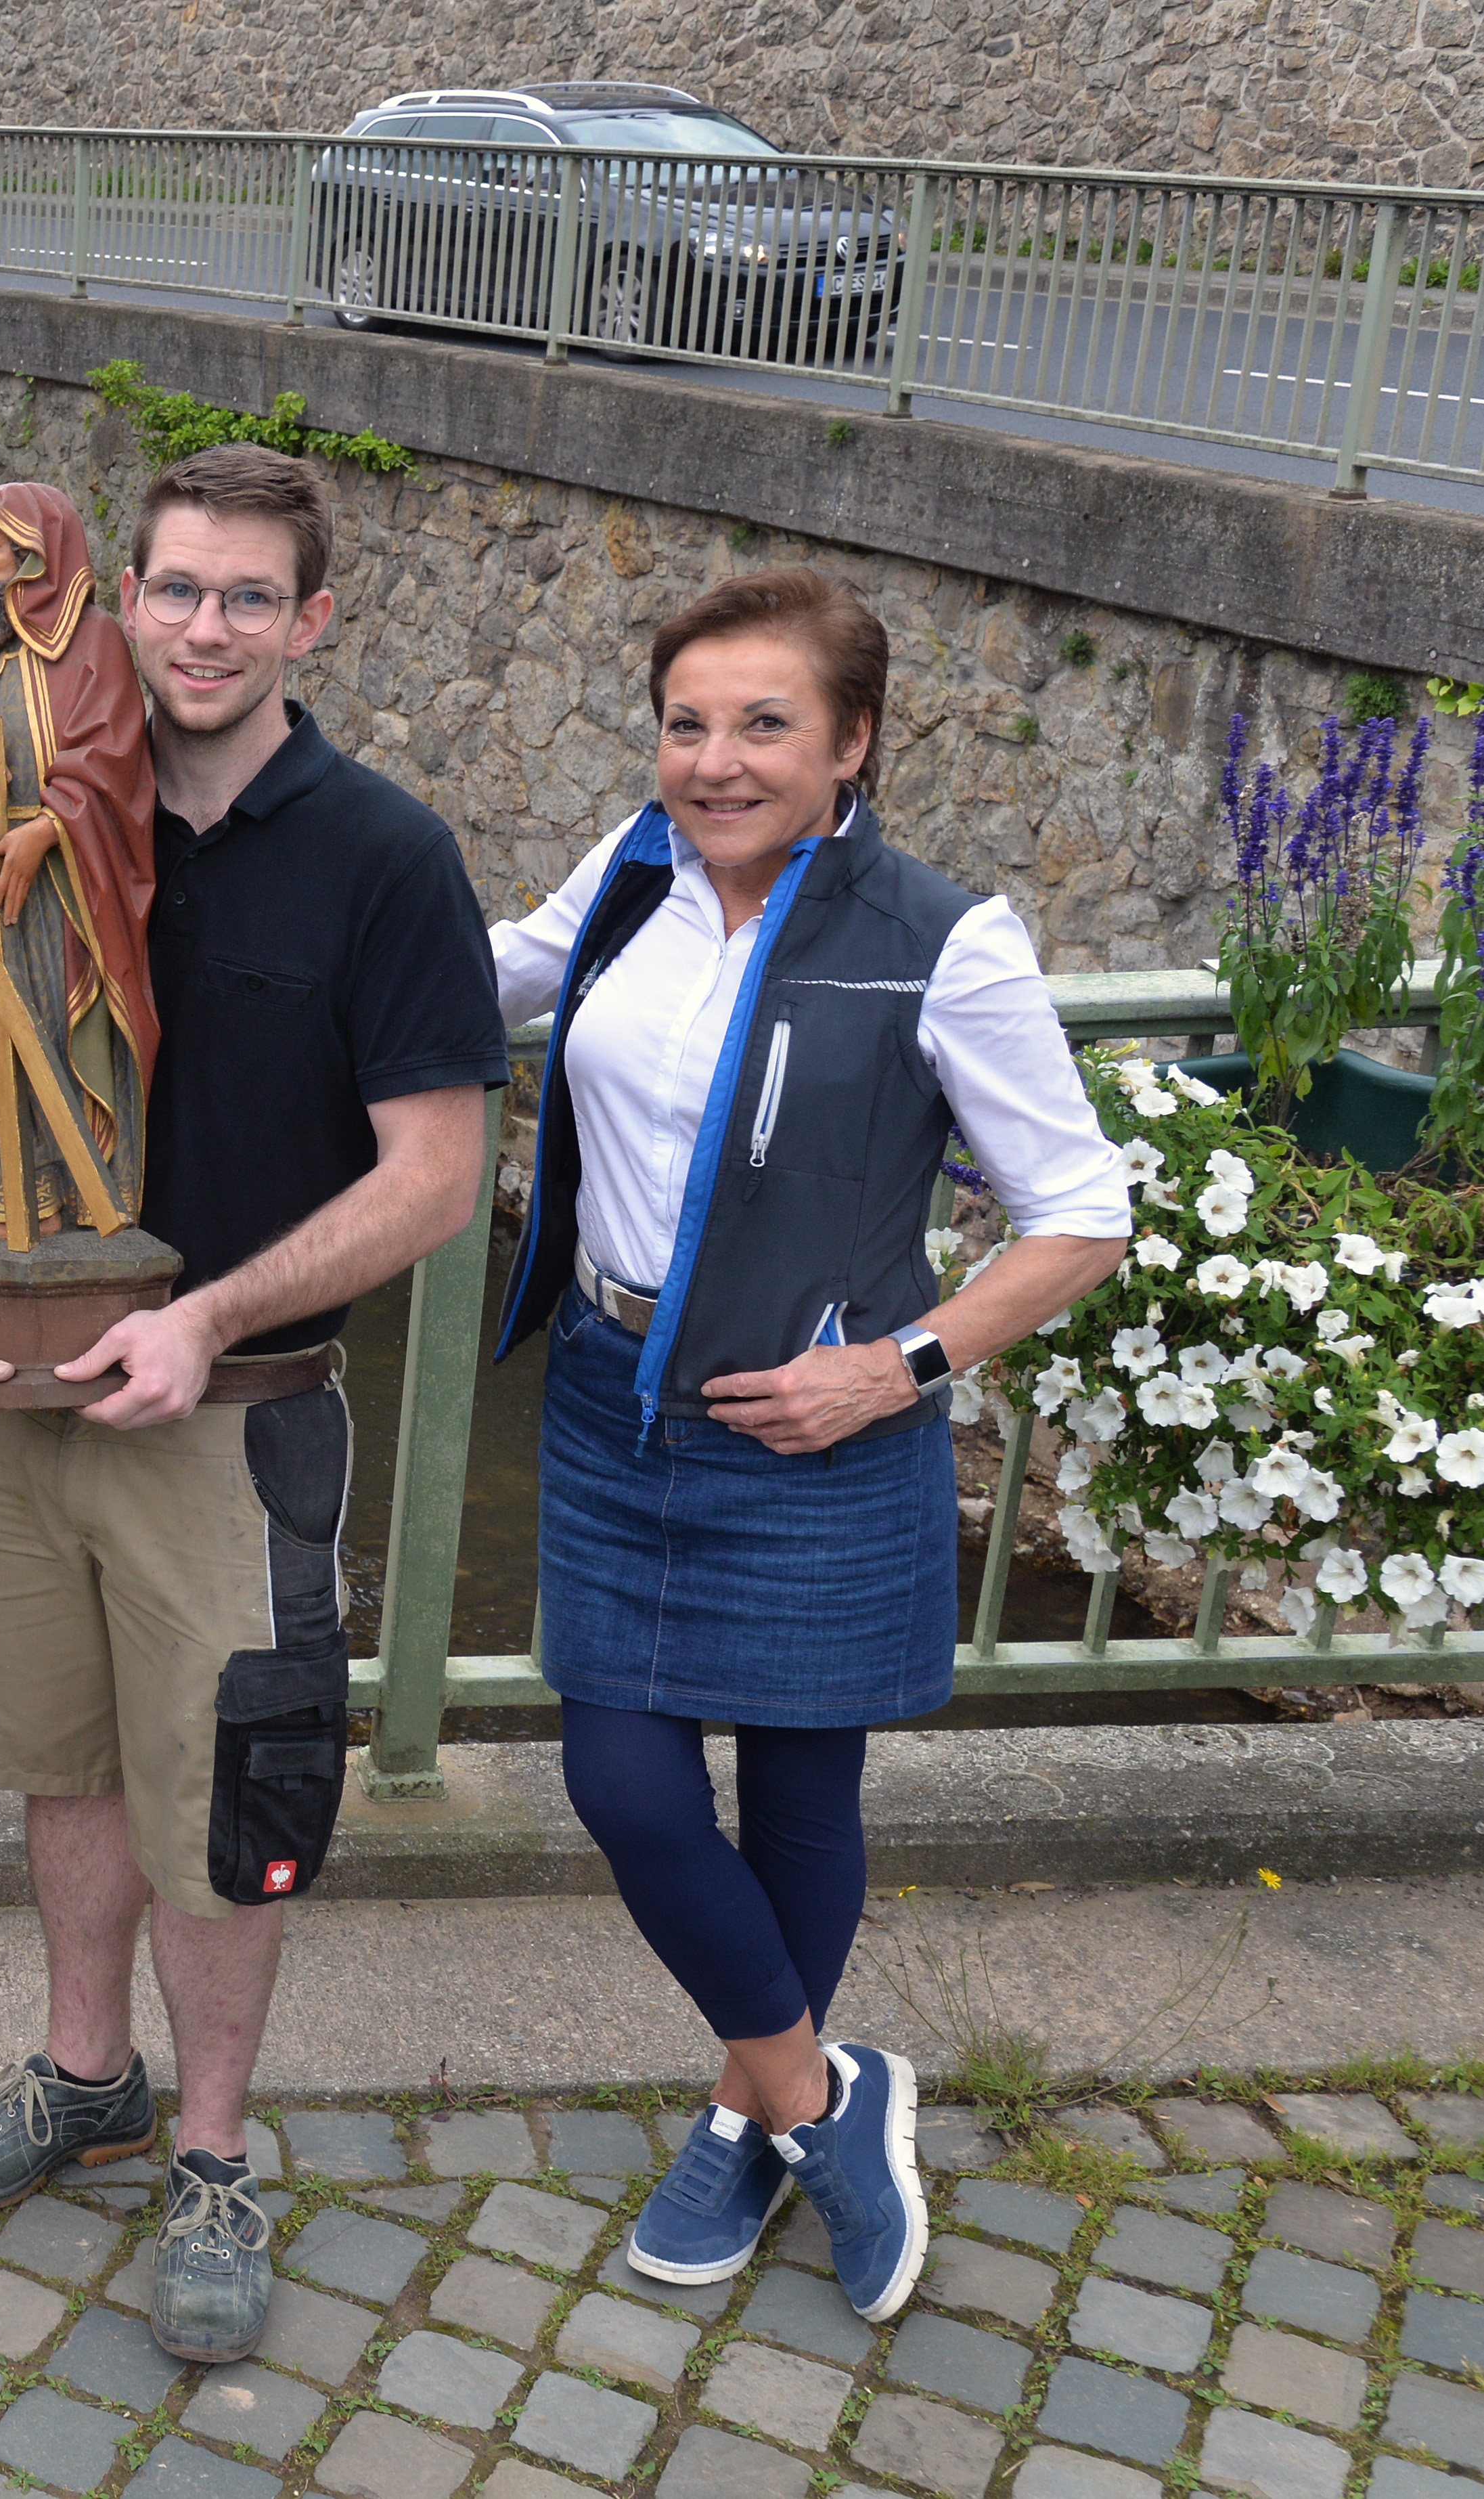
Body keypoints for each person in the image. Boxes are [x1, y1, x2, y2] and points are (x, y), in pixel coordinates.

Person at [0, 445, 510, 2364]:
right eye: (176, 589)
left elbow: (432, 1174)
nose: (206, 627)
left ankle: (215, 2149)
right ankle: (88, 2077)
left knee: (222, 1804)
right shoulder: (52, 794)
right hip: (27, 1400)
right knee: (68, 1765)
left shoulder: (382, 853)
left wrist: (204, 1311)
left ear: (310, 622)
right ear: (117, 600)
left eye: (249, 597)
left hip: (234, 1420)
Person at [486, 567, 1125, 2322]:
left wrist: (900, 1367)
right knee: (622, 1783)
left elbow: (1079, 1214)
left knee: (797, 1795)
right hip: (622, 1408)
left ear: (852, 742)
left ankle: (737, 2114)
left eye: (764, 722)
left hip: (816, 1436)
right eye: (687, 720)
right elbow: (478, 989)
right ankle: (825, 2094)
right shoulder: (627, 877)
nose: (714, 758)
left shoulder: (940, 936)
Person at [0, 482, 161, 1245]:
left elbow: (115, 758)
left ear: (37, 553)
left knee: (54, 1034)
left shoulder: (94, 644)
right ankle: (7, 1201)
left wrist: (50, 827)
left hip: (68, 884)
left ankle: (57, 1201)